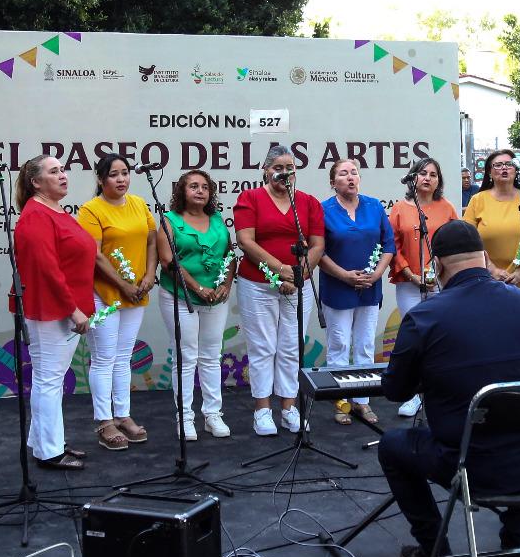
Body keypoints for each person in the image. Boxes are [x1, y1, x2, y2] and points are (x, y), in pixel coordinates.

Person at [380, 221, 520, 557]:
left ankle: (435, 553)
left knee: (392, 445)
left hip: (469, 467)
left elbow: (396, 391)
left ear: (439, 266)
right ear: (485, 257)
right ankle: (517, 546)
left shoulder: (426, 315)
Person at [233, 144, 325, 437]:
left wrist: (298, 274)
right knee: (263, 347)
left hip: (299, 284)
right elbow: (246, 241)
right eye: (278, 168)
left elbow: (318, 244)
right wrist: (280, 269)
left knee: (290, 347)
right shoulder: (250, 198)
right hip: (258, 284)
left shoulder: (308, 203)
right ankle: (262, 410)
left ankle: (288, 408)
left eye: (290, 169)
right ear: (266, 170)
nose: (284, 173)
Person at [11, 155, 95, 470]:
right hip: (51, 310)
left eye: (63, 170)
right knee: (48, 379)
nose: (63, 175)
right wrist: (72, 309)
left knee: (53, 379)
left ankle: (47, 440)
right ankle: (49, 452)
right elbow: (47, 269)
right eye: (54, 171)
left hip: (63, 309)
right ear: (35, 181)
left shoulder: (54, 211)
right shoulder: (35, 216)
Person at [78, 153, 158, 450]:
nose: (121, 179)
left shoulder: (138, 204)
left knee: (124, 357)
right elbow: (95, 255)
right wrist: (122, 285)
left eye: (125, 173)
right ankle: (104, 421)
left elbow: (152, 239)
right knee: (104, 358)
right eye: (114, 174)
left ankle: (123, 414)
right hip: (104, 294)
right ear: (101, 179)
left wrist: (150, 274)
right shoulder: (91, 210)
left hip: (137, 291)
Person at [155, 170, 237, 439]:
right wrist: (198, 288)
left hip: (215, 298)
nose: (200, 191)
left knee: (212, 356)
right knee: (186, 356)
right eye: (193, 186)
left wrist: (225, 285)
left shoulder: (216, 220)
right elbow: (168, 263)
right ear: (182, 191)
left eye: (205, 187)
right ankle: (185, 417)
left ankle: (212, 414)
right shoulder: (169, 221)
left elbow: (230, 255)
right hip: (181, 296)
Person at [318, 158, 395, 425]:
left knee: (364, 344)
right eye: (343, 174)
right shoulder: (323, 209)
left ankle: (362, 401)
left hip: (370, 287)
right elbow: (319, 251)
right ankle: (341, 403)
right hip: (338, 287)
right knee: (339, 344)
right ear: (333, 183)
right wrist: (344, 276)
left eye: (354, 172)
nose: (350, 177)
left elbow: (388, 244)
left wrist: (377, 273)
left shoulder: (374, 206)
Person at [388, 157, 460, 417]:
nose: (427, 178)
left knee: (440, 338)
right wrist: (410, 273)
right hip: (410, 284)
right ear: (413, 177)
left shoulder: (447, 207)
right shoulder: (399, 208)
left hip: (440, 282)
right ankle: (414, 394)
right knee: (415, 338)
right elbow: (392, 247)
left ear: (439, 181)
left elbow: (454, 242)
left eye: (433, 174)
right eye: (422, 173)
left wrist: (437, 272)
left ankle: (437, 392)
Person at [463, 149, 520, 297]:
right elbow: (468, 241)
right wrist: (492, 269)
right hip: (487, 280)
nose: (504, 167)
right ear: (489, 172)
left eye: (509, 164)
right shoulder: (478, 200)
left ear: (516, 170)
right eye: (498, 165)